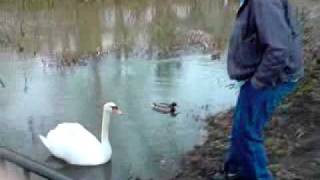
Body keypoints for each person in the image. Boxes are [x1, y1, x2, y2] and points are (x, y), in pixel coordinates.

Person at [214, 0, 304, 179]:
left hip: (272, 77)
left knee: (248, 132)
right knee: (241, 125)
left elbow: (278, 48)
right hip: (261, 73)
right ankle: (235, 171)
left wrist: (258, 82)